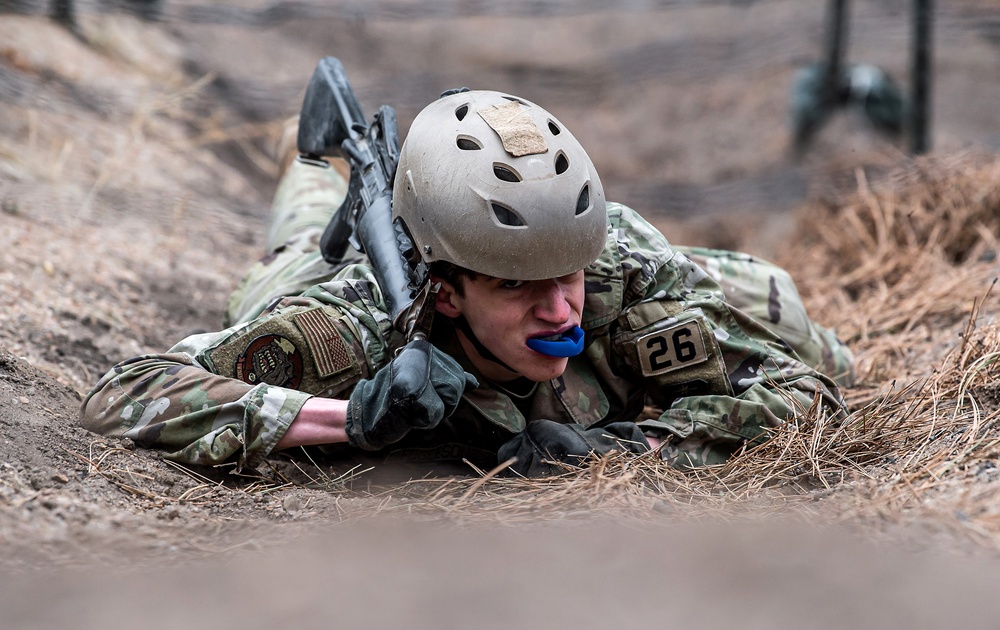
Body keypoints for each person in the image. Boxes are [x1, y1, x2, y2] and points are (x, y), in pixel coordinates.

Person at [80, 86, 855, 478]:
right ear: (447, 293)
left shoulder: (619, 269)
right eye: (518, 289)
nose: (558, 308)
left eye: (566, 277)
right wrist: (349, 417)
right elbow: (124, 392)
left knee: (796, 320)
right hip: (324, 273)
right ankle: (314, 158)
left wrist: (621, 448)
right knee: (297, 239)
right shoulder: (357, 324)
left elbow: (807, 390)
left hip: (632, 269)